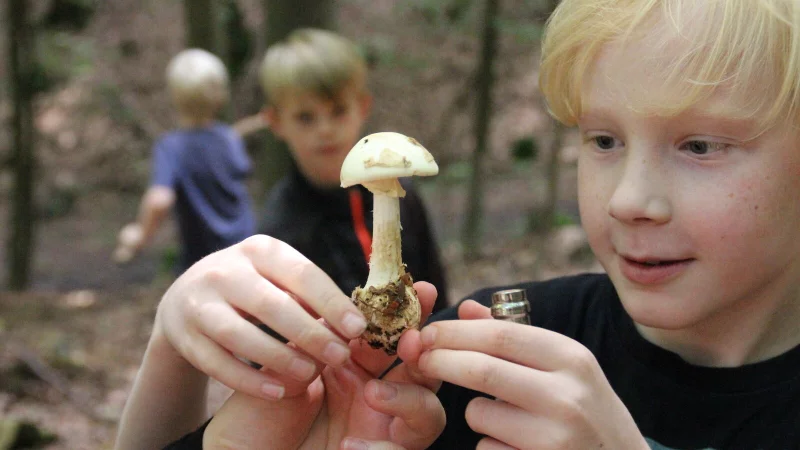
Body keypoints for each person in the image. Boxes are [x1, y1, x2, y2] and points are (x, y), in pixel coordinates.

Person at [120, 0, 800, 448]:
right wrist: (172, 357)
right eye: (603, 140)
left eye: (701, 145)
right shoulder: (503, 351)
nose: (629, 199)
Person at [252, 28, 449, 311]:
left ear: (363, 106)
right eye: (305, 117)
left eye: (339, 111)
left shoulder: (404, 195)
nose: (326, 130)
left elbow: (436, 289)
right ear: (276, 122)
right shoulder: (279, 230)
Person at [112, 48, 255, 274]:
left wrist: (140, 234)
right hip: (246, 252)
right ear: (220, 94)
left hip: (204, 262)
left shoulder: (171, 146)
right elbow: (241, 169)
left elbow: (159, 199)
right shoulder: (229, 139)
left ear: (175, 95)